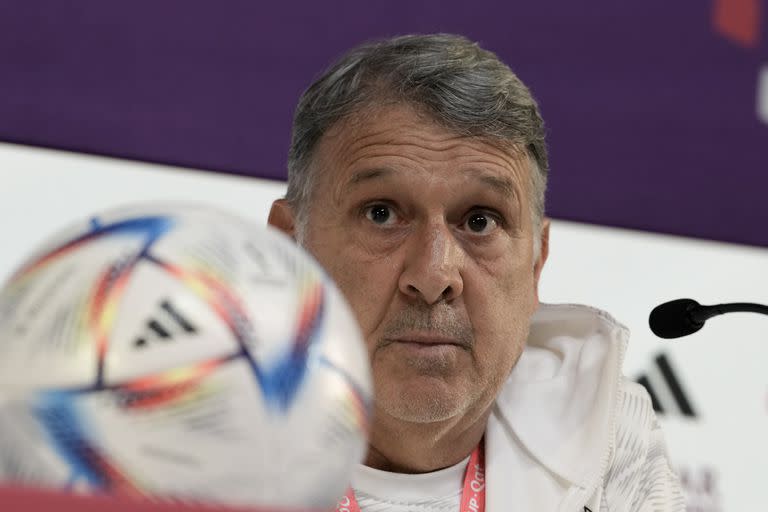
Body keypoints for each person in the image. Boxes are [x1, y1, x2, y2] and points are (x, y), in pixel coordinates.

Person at [268, 33, 685, 512]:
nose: (434, 274)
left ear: (536, 264)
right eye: (381, 213)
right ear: (287, 250)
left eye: (480, 221)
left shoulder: (605, 432)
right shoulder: (184, 438)